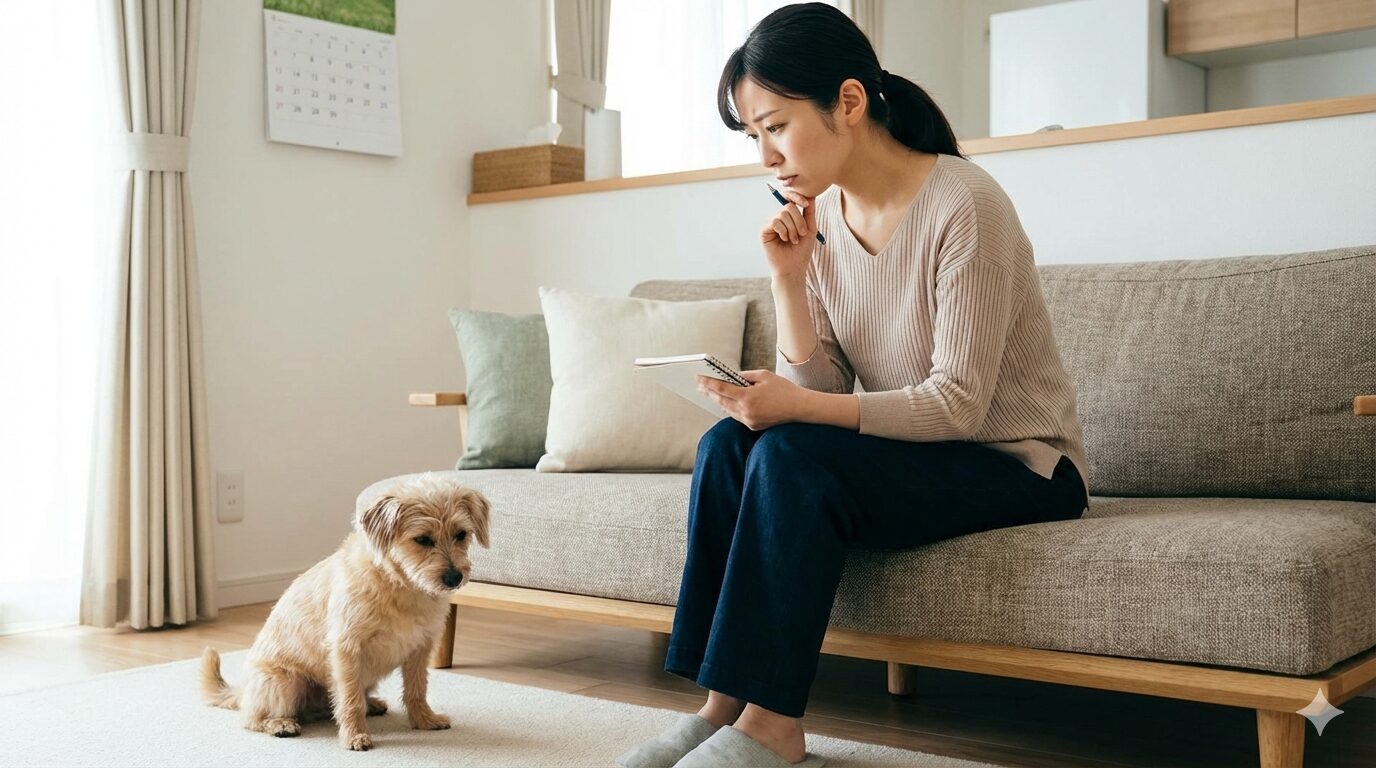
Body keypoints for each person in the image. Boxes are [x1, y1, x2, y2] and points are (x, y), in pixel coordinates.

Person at [616, 4, 1089, 767]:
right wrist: (790, 283)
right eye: (752, 137)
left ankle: (774, 725)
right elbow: (828, 381)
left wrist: (796, 406)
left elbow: (958, 405)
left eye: (775, 125)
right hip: (926, 456)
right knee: (731, 445)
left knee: (790, 455)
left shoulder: (966, 205)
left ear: (848, 101)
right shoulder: (822, 217)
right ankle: (721, 706)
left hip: (1020, 465)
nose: (766, 156)